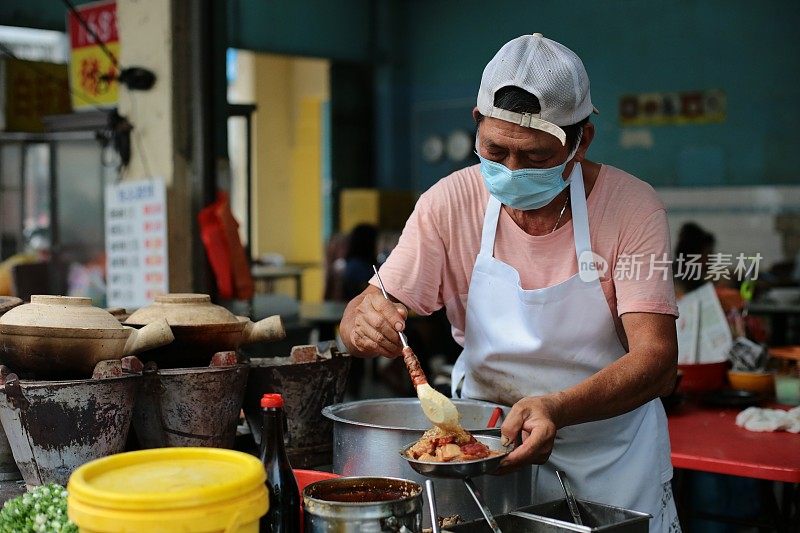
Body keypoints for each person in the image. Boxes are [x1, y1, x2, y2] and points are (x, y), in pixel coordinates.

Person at [340, 33, 680, 531]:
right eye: (495, 150)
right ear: (477, 124)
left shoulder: (631, 207)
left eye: (537, 157)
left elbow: (657, 361)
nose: (512, 170)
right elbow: (367, 312)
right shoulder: (449, 203)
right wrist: (359, 322)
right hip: (483, 459)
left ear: (581, 140)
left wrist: (556, 409)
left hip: (612, 468)